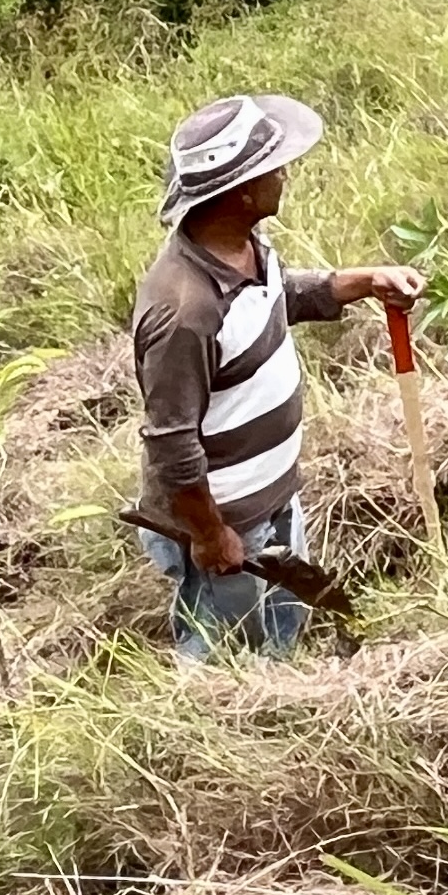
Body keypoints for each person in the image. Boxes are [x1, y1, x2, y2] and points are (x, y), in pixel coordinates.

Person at [132, 94, 422, 662]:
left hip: (271, 495)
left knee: (279, 623)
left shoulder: (243, 249)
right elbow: (170, 442)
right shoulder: (185, 311)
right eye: (275, 167)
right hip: (227, 517)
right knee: (223, 655)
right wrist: (212, 537)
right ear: (240, 193)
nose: (285, 175)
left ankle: (280, 672)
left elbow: (278, 295)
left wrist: (364, 281)